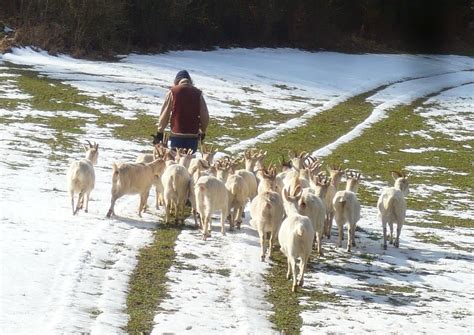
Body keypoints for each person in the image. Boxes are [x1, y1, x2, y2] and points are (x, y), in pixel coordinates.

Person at [154, 70, 209, 153]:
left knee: (175, 162)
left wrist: (160, 131)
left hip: (176, 134)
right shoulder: (198, 93)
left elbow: (165, 113)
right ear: (190, 81)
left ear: (176, 81)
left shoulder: (173, 92)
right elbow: (205, 115)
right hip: (193, 136)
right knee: (188, 163)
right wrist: (203, 131)